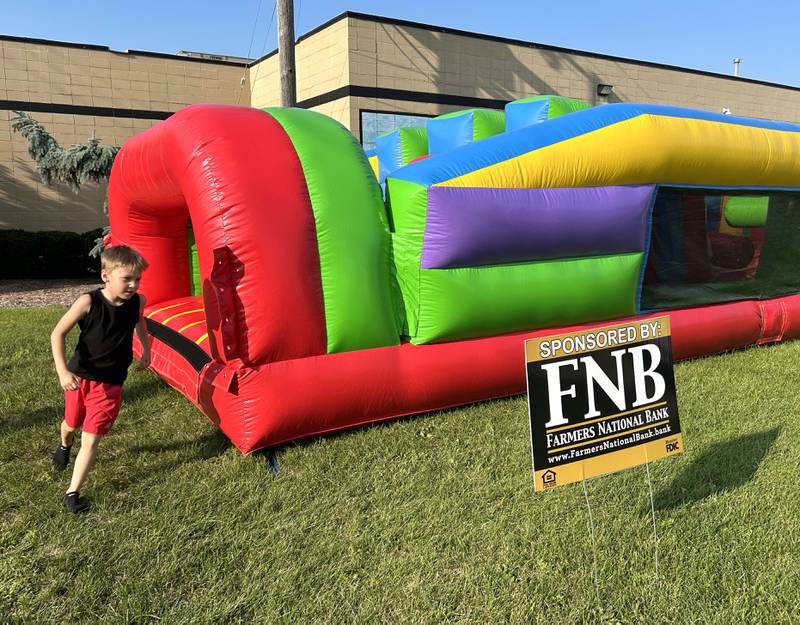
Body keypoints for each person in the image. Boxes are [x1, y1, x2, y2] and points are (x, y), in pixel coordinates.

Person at [50, 245, 151, 513]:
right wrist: (63, 372)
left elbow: (140, 322)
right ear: (105, 275)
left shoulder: (138, 302)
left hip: (111, 382)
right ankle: (63, 444)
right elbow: (57, 334)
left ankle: (72, 492)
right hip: (79, 378)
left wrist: (147, 350)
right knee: (71, 423)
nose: (133, 285)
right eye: (126, 279)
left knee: (91, 438)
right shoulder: (88, 302)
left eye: (137, 279)